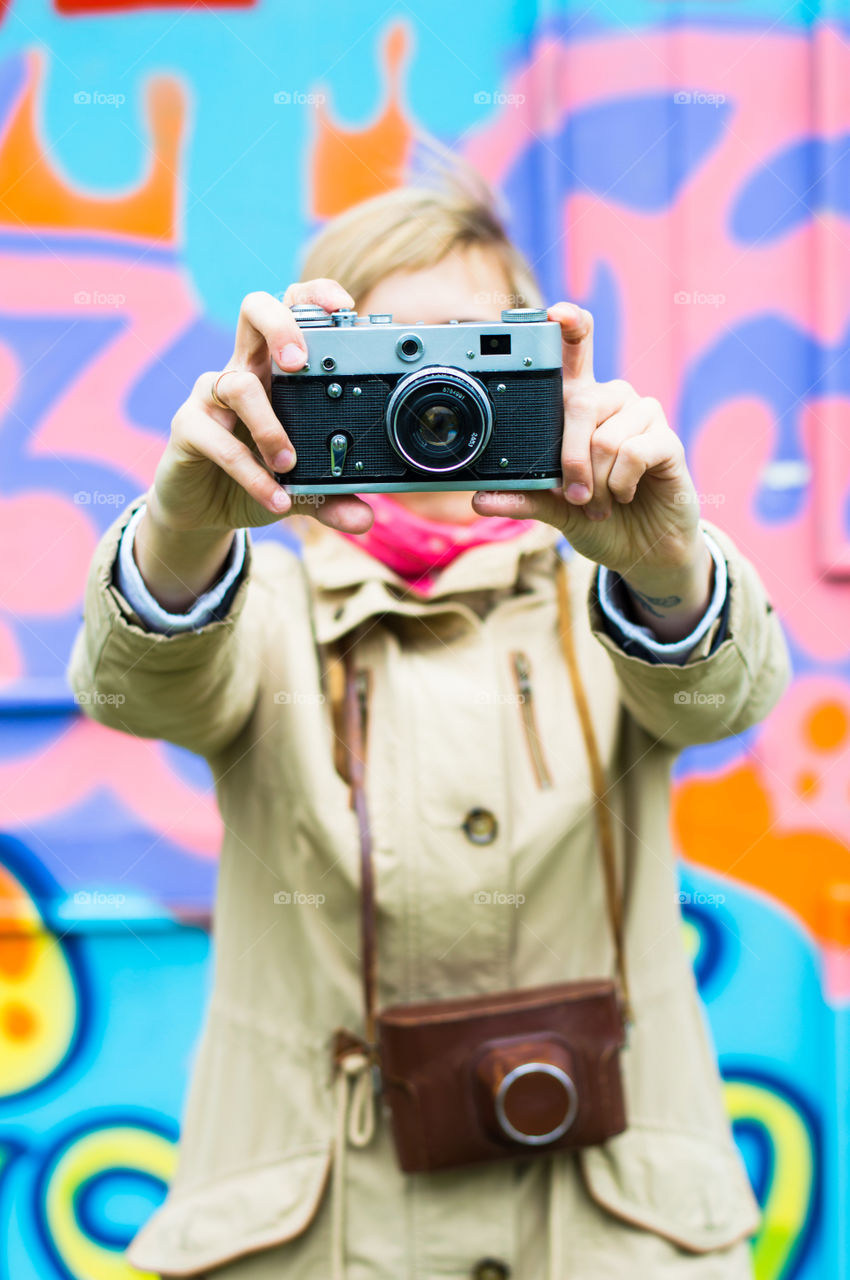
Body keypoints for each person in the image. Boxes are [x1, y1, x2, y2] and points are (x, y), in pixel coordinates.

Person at [68, 169, 790, 1280]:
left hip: (605, 1234)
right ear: (299, 386)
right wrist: (176, 530)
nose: (433, 401)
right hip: (322, 1237)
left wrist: (667, 567)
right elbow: (138, 687)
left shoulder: (606, 591)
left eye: (472, 355)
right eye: (383, 362)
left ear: (547, 375)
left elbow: (721, 696)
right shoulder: (252, 602)